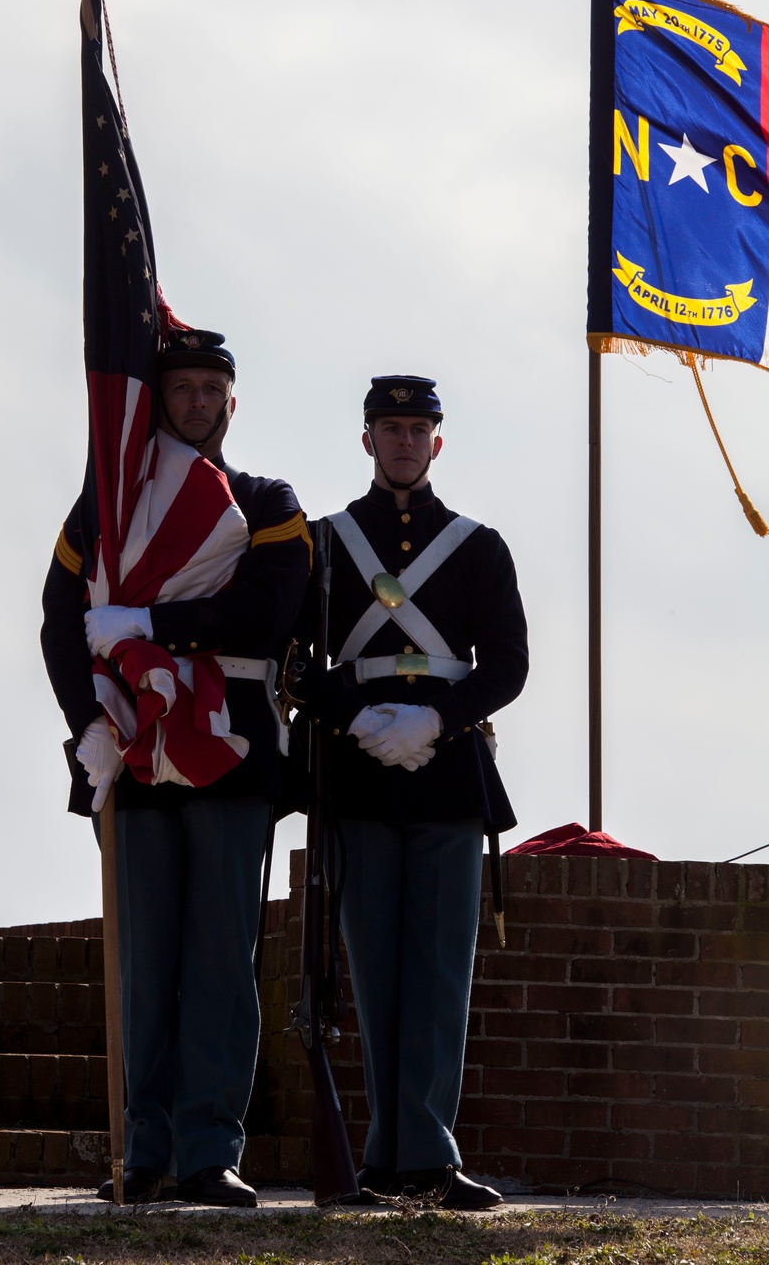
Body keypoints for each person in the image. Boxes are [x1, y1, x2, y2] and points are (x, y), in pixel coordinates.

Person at [41, 329, 311, 1208]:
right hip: (136, 747)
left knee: (221, 960)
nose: (195, 402)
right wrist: (87, 720)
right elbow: (59, 619)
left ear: (232, 404)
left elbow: (266, 612)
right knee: (146, 959)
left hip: (229, 745)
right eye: (182, 387)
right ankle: (143, 1150)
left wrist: (150, 628)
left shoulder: (269, 501)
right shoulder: (104, 512)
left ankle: (209, 1148)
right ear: (159, 399)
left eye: (210, 389)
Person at [319, 374, 528, 1209]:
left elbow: (507, 667)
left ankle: (430, 1154)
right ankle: (381, 1154)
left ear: (437, 443)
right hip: (361, 769)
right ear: (366, 439)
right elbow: (301, 660)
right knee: (374, 970)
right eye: (389, 427)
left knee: (440, 972)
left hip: (447, 772)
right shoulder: (325, 543)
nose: (404, 441)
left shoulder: (479, 545)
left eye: (418, 429)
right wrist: (362, 720)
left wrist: (433, 721)